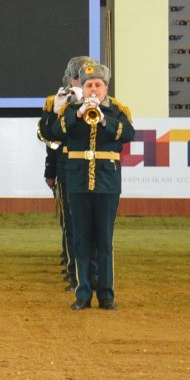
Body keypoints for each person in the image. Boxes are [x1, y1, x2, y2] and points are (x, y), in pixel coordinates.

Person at [40, 60, 135, 311]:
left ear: (106, 88)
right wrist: (78, 113)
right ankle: (82, 293)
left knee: (104, 240)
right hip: (78, 181)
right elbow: (53, 133)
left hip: (107, 181)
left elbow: (128, 134)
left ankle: (106, 294)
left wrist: (104, 121)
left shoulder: (117, 110)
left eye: (98, 85)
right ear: (82, 87)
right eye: (89, 85)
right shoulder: (71, 110)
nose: (94, 90)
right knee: (81, 240)